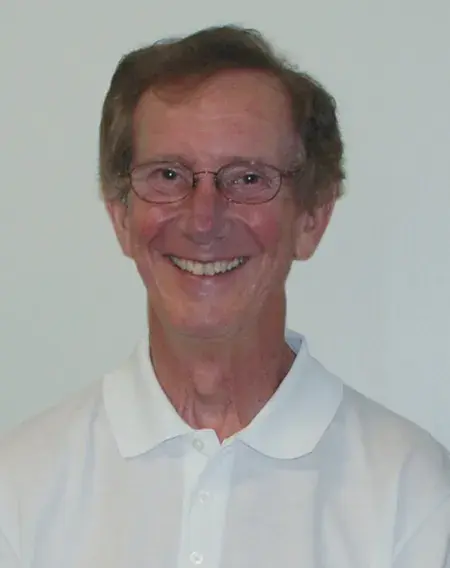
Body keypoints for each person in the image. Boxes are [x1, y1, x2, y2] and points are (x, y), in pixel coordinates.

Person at [0, 24, 449, 568]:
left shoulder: (413, 497)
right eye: (169, 175)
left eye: (248, 179)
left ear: (312, 217)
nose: (203, 219)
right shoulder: (19, 490)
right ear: (121, 216)